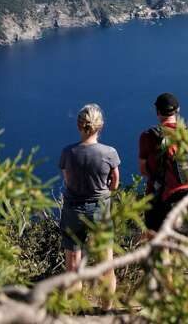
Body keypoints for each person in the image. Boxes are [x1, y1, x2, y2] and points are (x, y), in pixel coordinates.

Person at [59, 104, 120, 309]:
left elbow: (67, 180)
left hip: (73, 210)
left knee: (73, 264)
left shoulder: (68, 152)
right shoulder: (109, 153)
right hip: (100, 210)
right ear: (100, 126)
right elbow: (115, 183)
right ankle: (106, 310)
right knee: (106, 262)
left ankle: (76, 311)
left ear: (79, 125)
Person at [138, 92, 188, 237]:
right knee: (179, 238)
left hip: (157, 198)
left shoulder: (149, 136)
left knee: (156, 241)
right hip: (185, 196)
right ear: (178, 110)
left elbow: (143, 170)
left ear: (157, 111)